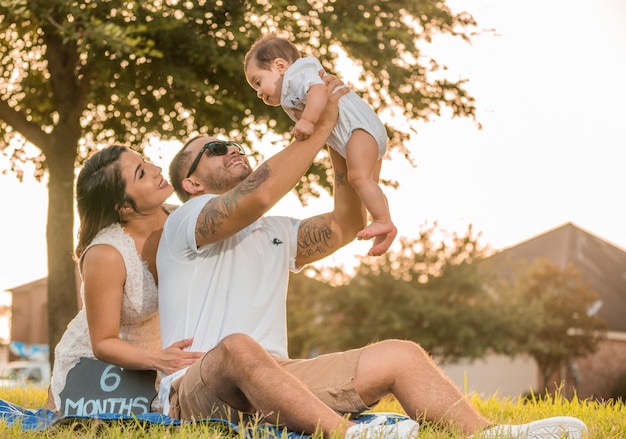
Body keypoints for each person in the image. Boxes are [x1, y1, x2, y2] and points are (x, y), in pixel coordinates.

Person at [156, 73, 587, 439]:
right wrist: (319, 126)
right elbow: (258, 194)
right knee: (238, 347)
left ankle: (488, 434)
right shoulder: (185, 222)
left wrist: (340, 139)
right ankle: (349, 436)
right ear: (191, 183)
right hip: (197, 387)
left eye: (231, 142)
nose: (230, 147)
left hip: (279, 381)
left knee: (401, 354)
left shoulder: (273, 231)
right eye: (213, 149)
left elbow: (345, 225)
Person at [47, 145, 203, 412]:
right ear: (124, 207)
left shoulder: (184, 219)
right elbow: (103, 343)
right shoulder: (106, 253)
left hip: (162, 365)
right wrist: (162, 360)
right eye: (141, 173)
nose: (156, 170)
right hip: (97, 373)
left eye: (145, 162)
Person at [243, 34, 397, 257]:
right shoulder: (290, 94)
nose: (258, 92)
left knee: (359, 178)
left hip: (358, 129)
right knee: (365, 185)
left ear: (279, 66)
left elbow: (318, 90)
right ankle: (385, 224)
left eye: (258, 82)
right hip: (355, 135)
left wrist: (307, 121)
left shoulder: (298, 74)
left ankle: (382, 220)